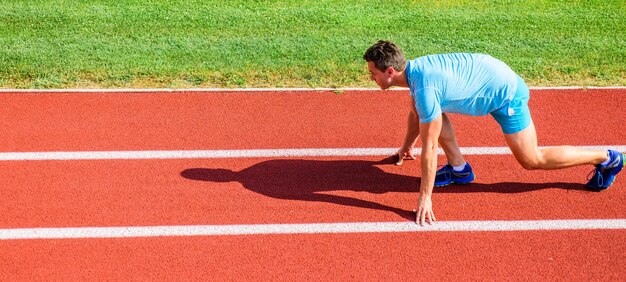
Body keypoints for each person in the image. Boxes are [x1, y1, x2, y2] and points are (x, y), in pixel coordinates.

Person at [362, 40, 624, 225]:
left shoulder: (425, 89)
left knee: (532, 159)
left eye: (373, 73)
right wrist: (406, 146)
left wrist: (425, 198)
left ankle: (606, 158)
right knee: (429, 113)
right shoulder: (416, 73)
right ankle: (459, 169)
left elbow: (430, 148)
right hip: (491, 75)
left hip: (506, 94)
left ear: (390, 72)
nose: (371, 77)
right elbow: (416, 112)